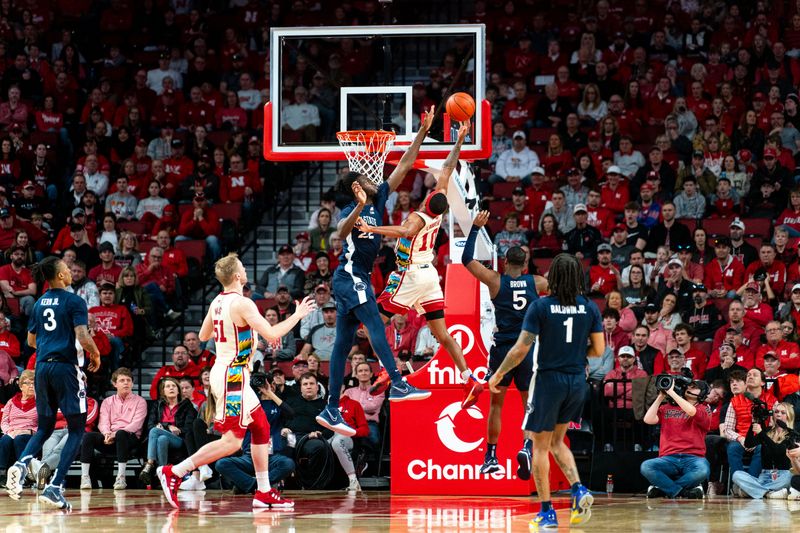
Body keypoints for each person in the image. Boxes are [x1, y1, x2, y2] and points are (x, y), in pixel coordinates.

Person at [155, 254, 314, 510]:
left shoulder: (217, 301)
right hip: (233, 377)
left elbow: (205, 334)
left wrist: (245, 336)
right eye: (242, 267)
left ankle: (263, 491)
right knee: (233, 441)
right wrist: (298, 315)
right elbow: (272, 332)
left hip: (230, 371)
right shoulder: (243, 303)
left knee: (261, 427)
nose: (244, 269)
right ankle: (175, 471)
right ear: (238, 276)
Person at [314, 109, 437, 438]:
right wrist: (356, 207)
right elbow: (340, 232)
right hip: (350, 277)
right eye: (366, 177)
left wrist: (422, 131)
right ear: (356, 187)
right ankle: (397, 383)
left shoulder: (379, 196)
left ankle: (330, 406)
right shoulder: (348, 210)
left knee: (341, 345)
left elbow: (406, 165)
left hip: (355, 280)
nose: (374, 175)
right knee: (375, 325)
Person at [357, 121, 482, 414]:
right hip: (429, 277)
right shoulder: (437, 207)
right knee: (443, 334)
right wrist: (460, 140)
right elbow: (448, 169)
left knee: (370, 323)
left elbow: (402, 232)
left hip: (411, 274)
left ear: (427, 201)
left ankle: (389, 372)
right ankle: (469, 378)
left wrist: (370, 228)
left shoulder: (419, 217)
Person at [488, 253, 604, 529]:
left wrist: (499, 373)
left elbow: (520, 349)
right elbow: (599, 350)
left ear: (553, 278)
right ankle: (578, 489)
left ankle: (547, 511)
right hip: (576, 381)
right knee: (556, 441)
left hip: (548, 382)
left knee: (539, 446)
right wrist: (576, 353)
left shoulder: (540, 306)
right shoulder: (590, 307)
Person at [5, 257, 101, 510]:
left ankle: (20, 464)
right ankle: (55, 486)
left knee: (43, 428)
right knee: (77, 429)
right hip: (65, 368)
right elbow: (82, 334)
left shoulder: (38, 303)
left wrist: (52, 341)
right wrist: (96, 353)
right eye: (67, 269)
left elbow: (31, 341)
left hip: (41, 368)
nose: (70, 272)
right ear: (59, 276)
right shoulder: (74, 301)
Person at [462, 210, 546, 476]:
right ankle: (527, 447)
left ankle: (491, 456)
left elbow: (466, 260)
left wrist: (475, 228)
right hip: (528, 349)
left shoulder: (495, 280)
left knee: (496, 406)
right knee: (529, 404)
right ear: (524, 265)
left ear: (505, 261)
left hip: (502, 350)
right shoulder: (537, 282)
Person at [78, 367, 147, 491]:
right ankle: (85, 477)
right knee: (88, 436)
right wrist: (106, 434)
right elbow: (103, 422)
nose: (126, 383)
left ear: (132, 383)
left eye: (128, 380)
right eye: (122, 380)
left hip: (130, 438)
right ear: (115, 384)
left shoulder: (140, 401)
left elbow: (136, 424)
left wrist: (114, 434)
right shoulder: (107, 401)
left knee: (121, 433)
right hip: (109, 438)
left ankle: (121, 477)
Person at [640, 380, 711, 499]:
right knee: (646, 466)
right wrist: (661, 396)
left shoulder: (704, 408)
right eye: (689, 386)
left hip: (693, 458)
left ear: (702, 393)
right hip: (668, 457)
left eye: (694, 387)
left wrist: (672, 393)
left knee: (703, 470)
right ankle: (683, 492)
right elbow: (648, 419)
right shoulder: (667, 407)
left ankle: (663, 490)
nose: (690, 388)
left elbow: (691, 411)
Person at [731, 403, 795, 499]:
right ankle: (769, 494)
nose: (778, 414)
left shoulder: (791, 434)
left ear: (789, 416)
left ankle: (751, 491)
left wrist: (761, 433)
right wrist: (753, 423)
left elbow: (777, 451)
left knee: (790, 477)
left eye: (783, 412)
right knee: (736, 475)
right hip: (765, 475)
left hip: (782, 475)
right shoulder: (767, 431)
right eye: (776, 412)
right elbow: (749, 444)